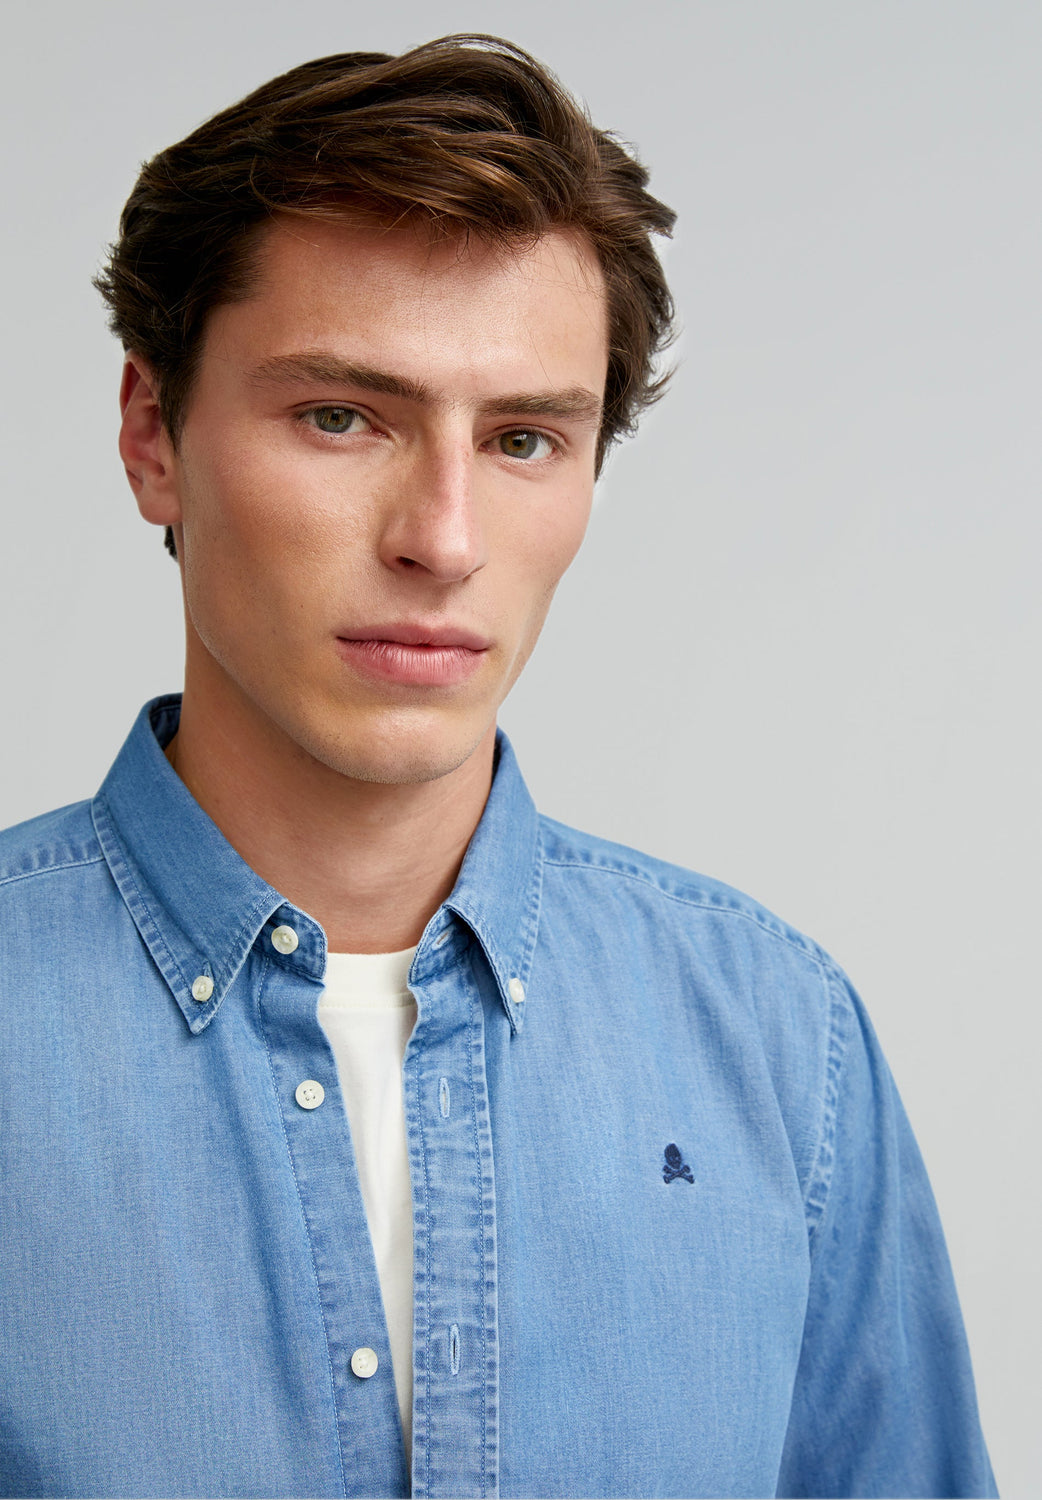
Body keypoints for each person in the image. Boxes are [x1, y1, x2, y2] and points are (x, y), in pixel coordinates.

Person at [0, 34, 995, 1500]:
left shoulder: (785, 1044)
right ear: (155, 438)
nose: (444, 539)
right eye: (341, 417)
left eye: (525, 439)